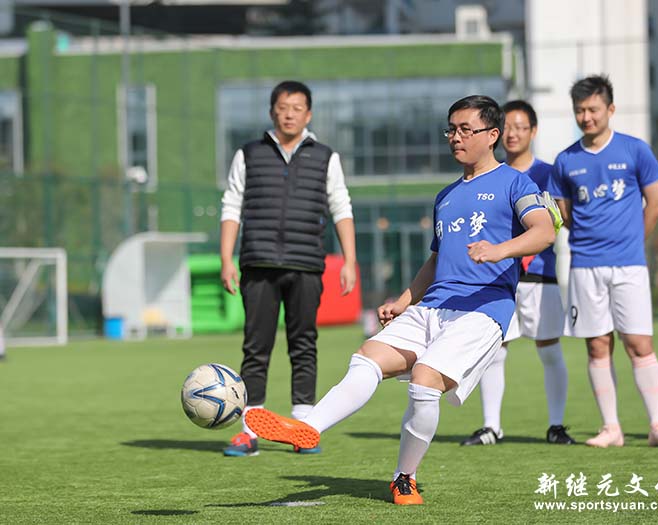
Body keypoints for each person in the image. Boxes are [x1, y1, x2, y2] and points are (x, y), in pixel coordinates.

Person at [244, 95, 557, 505]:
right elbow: (436, 260)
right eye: (451, 129)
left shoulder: (515, 183)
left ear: (492, 135)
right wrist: (405, 300)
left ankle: (404, 477)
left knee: (425, 381)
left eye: (466, 130)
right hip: (431, 308)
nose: (456, 137)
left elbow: (544, 231)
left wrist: (499, 250)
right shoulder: (446, 195)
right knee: (367, 358)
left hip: (482, 310)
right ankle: (308, 428)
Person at [219, 80, 357, 457]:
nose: (289, 114)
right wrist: (226, 259)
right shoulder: (249, 154)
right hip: (258, 262)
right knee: (256, 346)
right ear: (272, 112)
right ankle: (250, 431)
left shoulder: (326, 157)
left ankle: (303, 428)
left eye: (297, 108)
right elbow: (231, 205)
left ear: (308, 115)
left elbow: (341, 206)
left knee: (304, 343)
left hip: (306, 264)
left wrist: (349, 260)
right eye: (283, 107)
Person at [551, 74, 658, 448]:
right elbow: (565, 213)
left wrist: (631, 242)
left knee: (638, 343)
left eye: (593, 109)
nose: (586, 117)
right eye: (580, 110)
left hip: (629, 265)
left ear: (610, 109)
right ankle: (611, 428)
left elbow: (656, 203)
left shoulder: (635, 150)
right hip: (584, 265)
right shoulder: (565, 160)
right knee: (597, 346)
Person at [461, 100, 574, 446]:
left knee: (549, 349)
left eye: (521, 127)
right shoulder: (488, 174)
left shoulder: (549, 174)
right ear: (496, 131)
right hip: (498, 278)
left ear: (533, 131)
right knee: (495, 350)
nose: (513, 134)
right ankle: (491, 426)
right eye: (507, 127)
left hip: (540, 275)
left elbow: (559, 221)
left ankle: (556, 425)